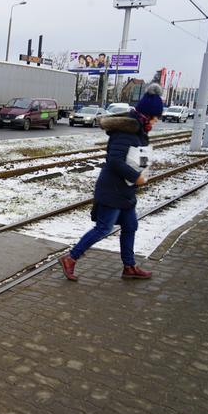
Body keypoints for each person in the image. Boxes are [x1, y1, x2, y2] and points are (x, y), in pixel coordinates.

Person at [59, 83, 164, 281]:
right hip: (112, 190)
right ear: (148, 115)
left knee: (130, 226)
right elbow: (114, 161)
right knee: (103, 228)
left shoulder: (140, 131)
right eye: (156, 116)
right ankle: (70, 258)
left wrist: (143, 169)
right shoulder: (126, 132)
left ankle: (129, 266)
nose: (158, 120)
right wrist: (137, 177)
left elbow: (137, 157)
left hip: (125, 191)